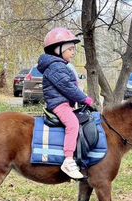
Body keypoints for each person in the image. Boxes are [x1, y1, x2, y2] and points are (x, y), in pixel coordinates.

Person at [37, 27, 94, 179]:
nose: (73, 52)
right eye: (70, 49)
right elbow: (68, 88)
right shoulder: (56, 66)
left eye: (74, 49)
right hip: (59, 104)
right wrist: (84, 98)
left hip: (64, 102)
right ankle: (68, 160)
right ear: (58, 49)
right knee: (73, 124)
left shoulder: (60, 65)